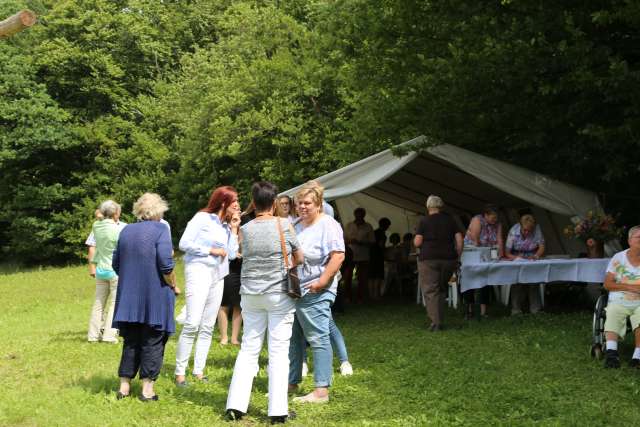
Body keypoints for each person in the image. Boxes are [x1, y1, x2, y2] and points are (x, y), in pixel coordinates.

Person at [226, 181, 303, 423]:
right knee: (279, 352)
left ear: (254, 201)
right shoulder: (284, 224)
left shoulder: (246, 230)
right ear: (273, 201)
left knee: (249, 348)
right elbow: (299, 256)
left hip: (250, 293)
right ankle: (278, 411)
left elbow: (241, 254)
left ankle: (236, 406)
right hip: (278, 293)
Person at [111, 193, 179, 401]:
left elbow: (116, 263)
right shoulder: (161, 229)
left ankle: (124, 387)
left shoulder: (126, 230)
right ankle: (147, 390)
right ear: (158, 211)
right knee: (153, 338)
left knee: (131, 339)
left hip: (129, 296)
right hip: (155, 294)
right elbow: (166, 264)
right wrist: (174, 284)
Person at [175, 186, 240, 386]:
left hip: (218, 275)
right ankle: (180, 373)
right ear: (223, 203)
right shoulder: (202, 218)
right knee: (193, 322)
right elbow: (184, 243)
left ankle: (199, 371)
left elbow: (230, 254)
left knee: (207, 325)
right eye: (234, 202)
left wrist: (234, 230)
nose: (238, 206)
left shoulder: (225, 226)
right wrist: (209, 250)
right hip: (198, 270)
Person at [288, 181, 346, 403]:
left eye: (307, 203)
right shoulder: (296, 224)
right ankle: (292, 383)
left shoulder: (329, 225)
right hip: (295, 290)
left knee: (318, 337)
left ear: (318, 204)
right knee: (294, 338)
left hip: (317, 289)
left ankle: (321, 390)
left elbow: (338, 255)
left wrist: (322, 281)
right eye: (299, 203)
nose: (302, 207)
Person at [414, 195, 463, 331]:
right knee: (441, 288)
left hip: (429, 259)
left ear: (428, 206)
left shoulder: (423, 221)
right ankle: (439, 319)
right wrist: (457, 256)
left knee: (431, 290)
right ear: (441, 206)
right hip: (448, 259)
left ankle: (436, 322)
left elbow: (417, 242)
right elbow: (459, 240)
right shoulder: (451, 221)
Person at [87, 200, 126, 343]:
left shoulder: (96, 226)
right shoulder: (119, 229)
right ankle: (109, 336)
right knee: (114, 303)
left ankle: (93, 335)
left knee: (98, 304)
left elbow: (99, 217)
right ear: (115, 213)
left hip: (100, 269)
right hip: (114, 270)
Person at [602, 226, 640, 368]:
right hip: (619, 299)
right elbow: (607, 284)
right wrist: (631, 287)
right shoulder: (619, 258)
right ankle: (612, 354)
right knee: (612, 311)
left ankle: (637, 357)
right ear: (630, 240)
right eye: (639, 237)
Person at [462, 204, 504, 318]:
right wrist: (487, 249)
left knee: (485, 281)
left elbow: (499, 239)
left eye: (496, 217)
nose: (495, 220)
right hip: (472, 254)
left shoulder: (498, 224)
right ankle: (469, 310)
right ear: (486, 215)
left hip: (485, 254)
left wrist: (501, 254)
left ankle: (483, 312)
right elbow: (476, 241)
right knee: (469, 280)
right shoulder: (477, 220)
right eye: (493, 217)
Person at [505, 214, 545, 315]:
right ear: (520, 226)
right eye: (524, 230)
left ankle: (536, 310)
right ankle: (516, 310)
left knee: (534, 282)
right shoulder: (513, 231)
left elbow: (542, 246)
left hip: (532, 257)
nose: (527, 232)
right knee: (517, 282)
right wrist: (518, 258)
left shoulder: (537, 229)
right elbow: (507, 253)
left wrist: (536, 256)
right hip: (516, 257)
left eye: (529, 231)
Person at [218, 213, 243, 345]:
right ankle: (224, 337)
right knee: (224, 303)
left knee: (239, 305)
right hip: (227, 269)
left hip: (242, 268)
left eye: (239, 209)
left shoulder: (244, 227)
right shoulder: (222, 228)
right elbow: (230, 254)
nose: (237, 212)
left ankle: (234, 338)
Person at [344, 208, 374, 303]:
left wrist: (362, 242)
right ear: (355, 214)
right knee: (348, 276)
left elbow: (372, 242)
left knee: (362, 278)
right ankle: (348, 297)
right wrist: (350, 241)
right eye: (357, 214)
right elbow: (342, 239)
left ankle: (360, 297)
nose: (359, 215)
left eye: (361, 214)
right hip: (349, 254)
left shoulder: (368, 226)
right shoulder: (349, 225)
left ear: (364, 215)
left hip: (363, 255)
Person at [370, 218, 391, 299]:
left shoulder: (374, 232)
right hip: (378, 257)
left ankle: (372, 295)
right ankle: (376, 295)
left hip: (371, 256)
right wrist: (386, 252)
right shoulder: (382, 234)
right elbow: (381, 245)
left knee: (371, 276)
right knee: (378, 276)